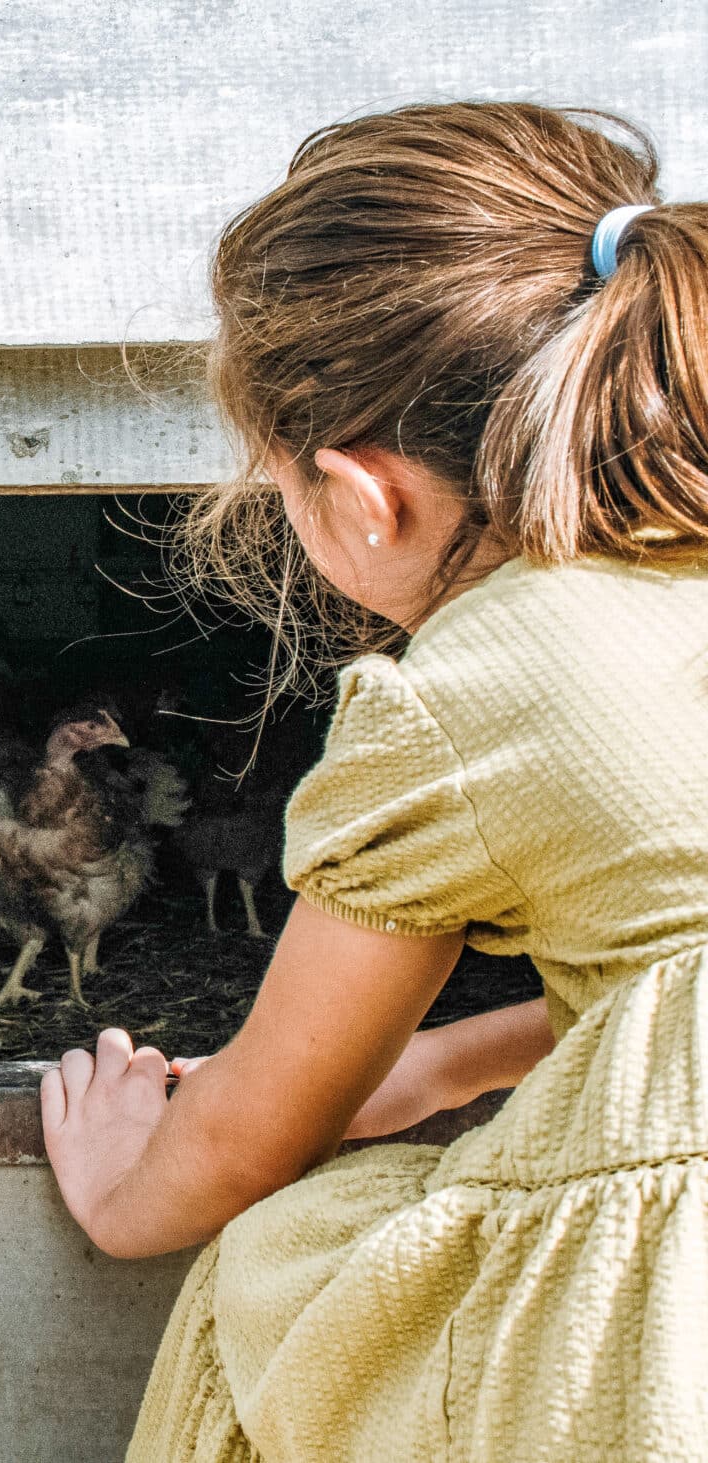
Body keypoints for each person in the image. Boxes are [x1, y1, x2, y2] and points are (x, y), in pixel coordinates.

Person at [41, 102, 708, 1460]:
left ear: (356, 494)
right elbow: (673, 956)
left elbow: (242, 1135)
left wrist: (125, 1193)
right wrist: (435, 1061)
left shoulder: (456, 691)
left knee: (285, 1263)